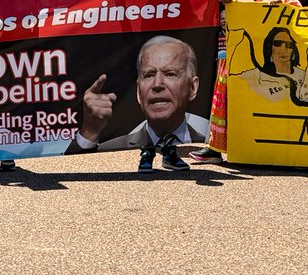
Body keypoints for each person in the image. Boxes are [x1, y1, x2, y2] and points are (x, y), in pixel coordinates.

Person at [189, 0, 300, 165]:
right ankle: (214, 149)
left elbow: (300, 19)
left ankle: (269, 150)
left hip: (272, 62)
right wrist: (223, 4)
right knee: (225, 101)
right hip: (235, 56)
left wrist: (284, 10)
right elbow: (212, 16)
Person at [69, 36, 207, 173]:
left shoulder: (208, 148)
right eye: (149, 75)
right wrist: (89, 132)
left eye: (170, 74)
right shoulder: (111, 149)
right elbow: (74, 177)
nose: (157, 84)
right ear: (138, 92)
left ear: (192, 88)